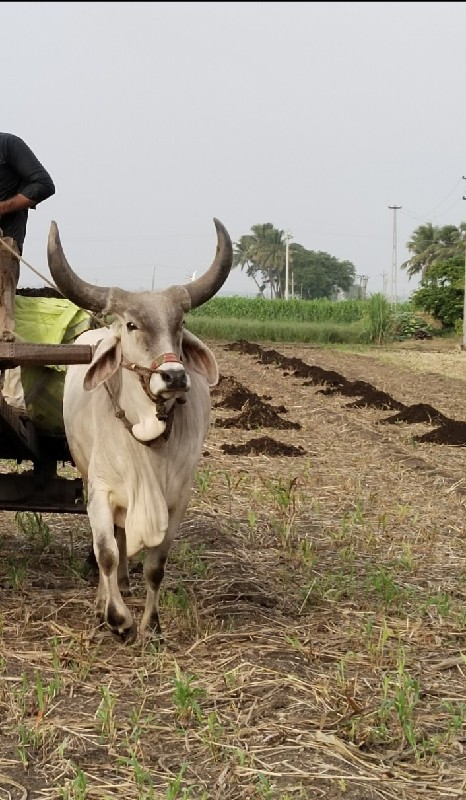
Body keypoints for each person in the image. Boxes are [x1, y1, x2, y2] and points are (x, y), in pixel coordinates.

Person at [0, 132, 55, 414]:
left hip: (3, 243)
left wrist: (2, 208)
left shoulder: (8, 145)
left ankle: (12, 397)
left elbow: (44, 185)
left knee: (3, 321)